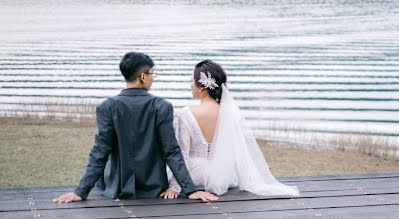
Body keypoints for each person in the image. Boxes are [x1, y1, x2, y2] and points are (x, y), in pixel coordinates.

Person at [53, 52, 217, 204]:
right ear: (143, 77)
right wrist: (190, 191)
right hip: (153, 186)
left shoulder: (107, 106)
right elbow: (171, 151)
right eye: (152, 73)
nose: (153, 78)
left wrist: (81, 192)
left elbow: (100, 151)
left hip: (116, 187)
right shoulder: (162, 106)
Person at [162, 59, 299, 198]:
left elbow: (182, 155)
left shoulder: (185, 114)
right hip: (222, 176)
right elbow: (236, 150)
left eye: (191, 81)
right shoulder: (229, 113)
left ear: (202, 86)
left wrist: (175, 187)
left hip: (194, 176)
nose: (190, 85)